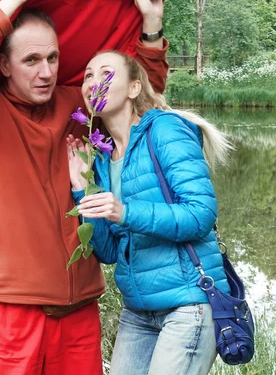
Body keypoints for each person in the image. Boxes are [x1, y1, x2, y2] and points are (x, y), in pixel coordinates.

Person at [0, 0, 168, 374]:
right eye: (31, 60)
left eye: (53, 58)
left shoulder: (75, 104)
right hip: (5, 311)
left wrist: (150, 29)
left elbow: (137, 97)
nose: (46, 72)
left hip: (78, 311)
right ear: (4, 65)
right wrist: (12, 1)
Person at [67, 51, 233, 375]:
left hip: (189, 305)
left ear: (133, 88)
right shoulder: (101, 160)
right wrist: (79, 187)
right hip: (138, 312)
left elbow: (201, 215)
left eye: (105, 73)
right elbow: (110, 251)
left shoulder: (164, 130)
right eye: (88, 75)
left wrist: (125, 212)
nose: (93, 82)